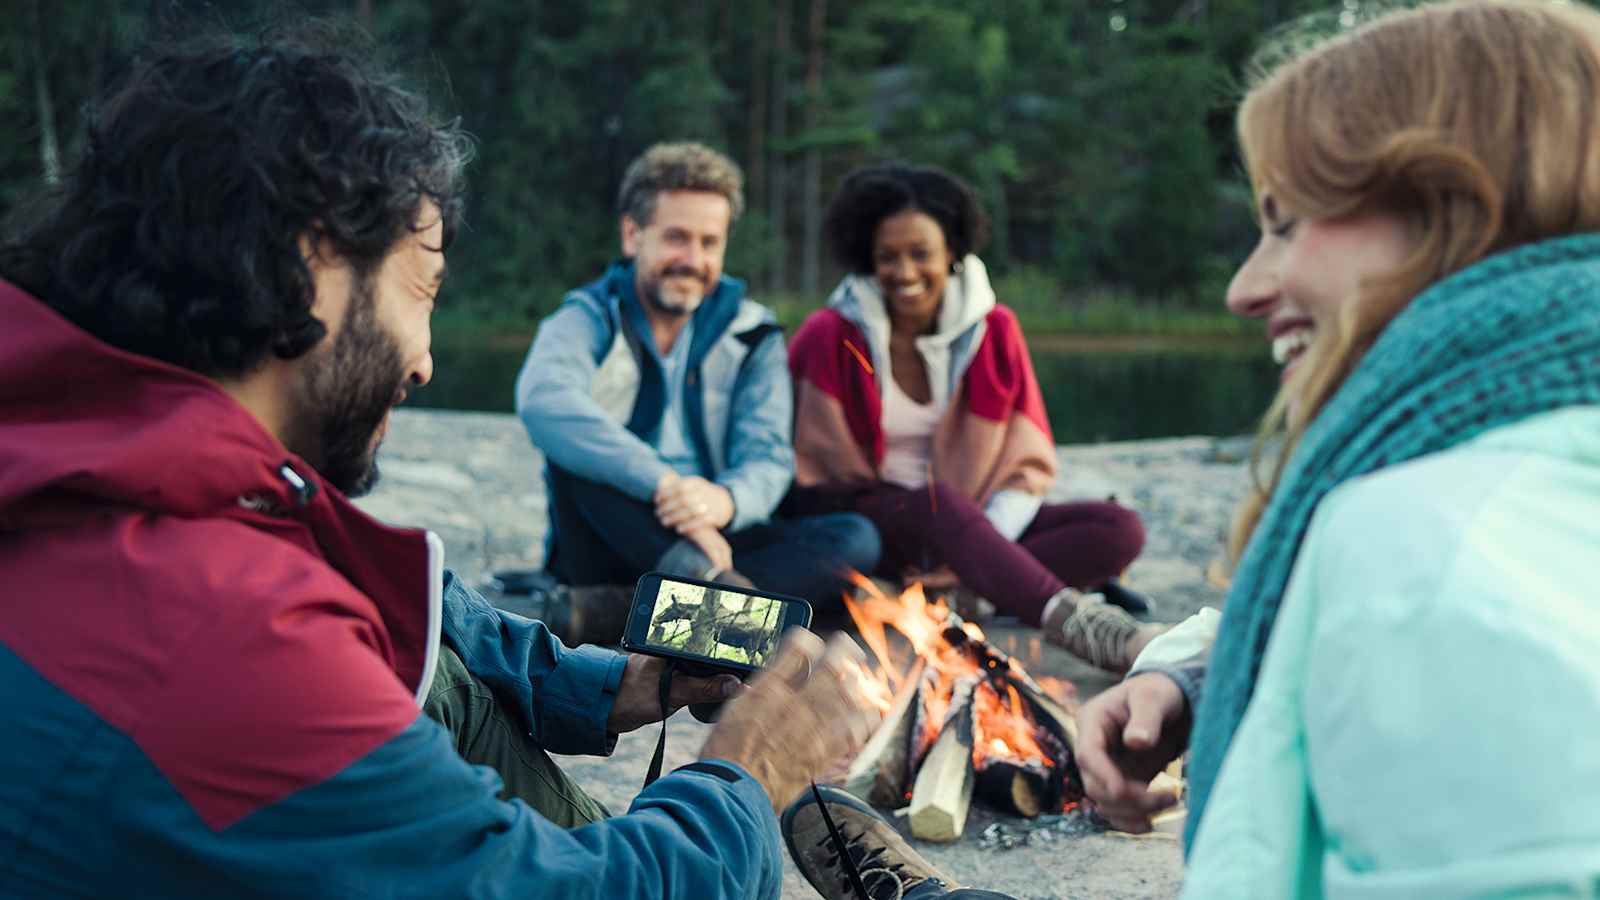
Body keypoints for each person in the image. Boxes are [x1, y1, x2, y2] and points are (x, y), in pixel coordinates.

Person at [0, 28, 880, 899]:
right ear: (313, 265)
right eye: (423, 290)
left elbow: (419, 614)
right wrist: (743, 773)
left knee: (446, 664)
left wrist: (623, 683)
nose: (423, 362)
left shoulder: (100, 461)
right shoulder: (229, 632)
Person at [1069, 1, 1600, 894]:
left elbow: (1448, 603)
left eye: (1284, 223)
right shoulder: (1535, 482)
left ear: (1453, 212)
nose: (1245, 287)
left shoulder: (1415, 556)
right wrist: (1203, 675)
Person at [786, 162, 1161, 673]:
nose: (905, 272)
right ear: (866, 259)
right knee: (941, 509)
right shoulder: (828, 334)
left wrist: (972, 550)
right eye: (888, 257)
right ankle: (1094, 631)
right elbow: (811, 470)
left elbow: (1025, 466)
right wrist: (958, 533)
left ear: (953, 254)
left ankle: (955, 594)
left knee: (1119, 529)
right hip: (870, 520)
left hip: (966, 523)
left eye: (921, 254)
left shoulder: (993, 330)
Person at [516, 142, 881, 643]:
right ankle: (733, 627)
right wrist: (662, 485)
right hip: (612, 537)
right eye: (676, 238)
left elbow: (768, 457)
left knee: (856, 539)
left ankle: (640, 617)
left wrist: (724, 501)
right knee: (578, 461)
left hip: (718, 534)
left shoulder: (752, 333)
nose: (693, 259)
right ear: (632, 235)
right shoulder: (588, 317)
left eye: (709, 243)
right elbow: (544, 401)